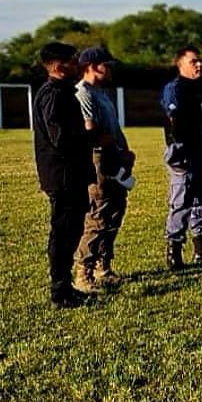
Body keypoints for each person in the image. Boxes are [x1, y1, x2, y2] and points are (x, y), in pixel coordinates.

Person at [32, 42, 96, 308]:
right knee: (63, 233)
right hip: (63, 176)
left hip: (73, 174)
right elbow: (61, 138)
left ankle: (65, 287)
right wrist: (92, 137)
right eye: (73, 61)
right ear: (58, 67)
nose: (78, 64)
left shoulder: (63, 92)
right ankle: (60, 292)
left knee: (72, 231)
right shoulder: (53, 95)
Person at [161, 46, 202, 269]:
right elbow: (175, 123)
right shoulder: (175, 89)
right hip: (185, 156)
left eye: (200, 61)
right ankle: (174, 253)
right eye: (193, 61)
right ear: (180, 65)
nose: (199, 65)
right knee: (182, 202)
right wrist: (180, 152)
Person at [74, 47, 135, 291]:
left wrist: (124, 152)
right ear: (92, 66)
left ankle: (103, 266)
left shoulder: (101, 93)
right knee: (98, 214)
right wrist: (116, 149)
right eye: (105, 64)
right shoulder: (82, 94)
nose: (109, 69)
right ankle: (83, 272)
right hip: (99, 161)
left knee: (115, 212)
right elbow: (91, 130)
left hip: (115, 158)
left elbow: (112, 129)